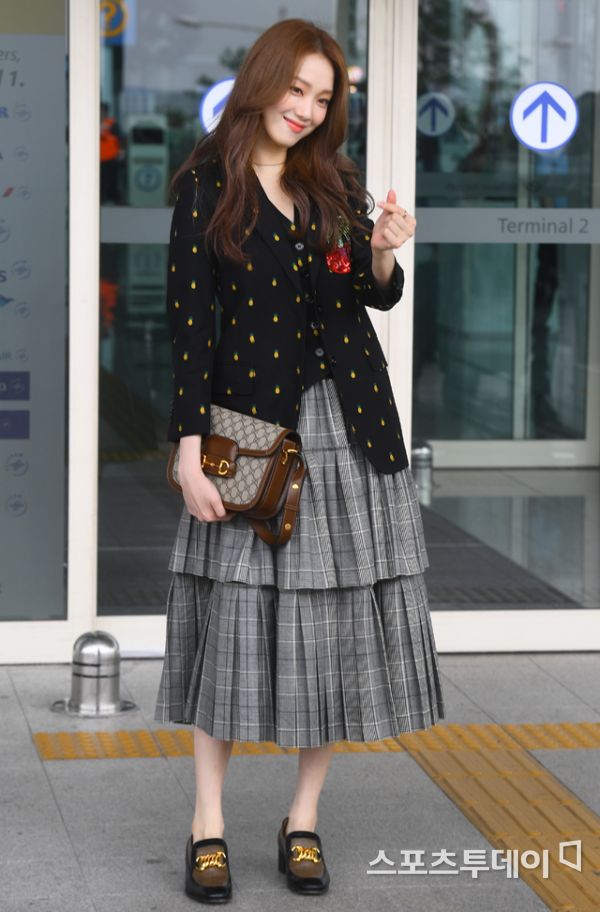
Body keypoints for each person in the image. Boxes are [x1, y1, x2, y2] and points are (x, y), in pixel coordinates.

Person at [154, 17, 446, 904]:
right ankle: (208, 823)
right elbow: (188, 328)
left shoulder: (332, 184)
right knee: (230, 629)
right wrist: (187, 448)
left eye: (324, 99)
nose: (308, 110)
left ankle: (303, 818)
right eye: (298, 91)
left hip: (351, 429)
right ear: (265, 81)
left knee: (335, 633)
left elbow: (369, 293)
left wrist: (388, 247)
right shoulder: (210, 186)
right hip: (249, 434)